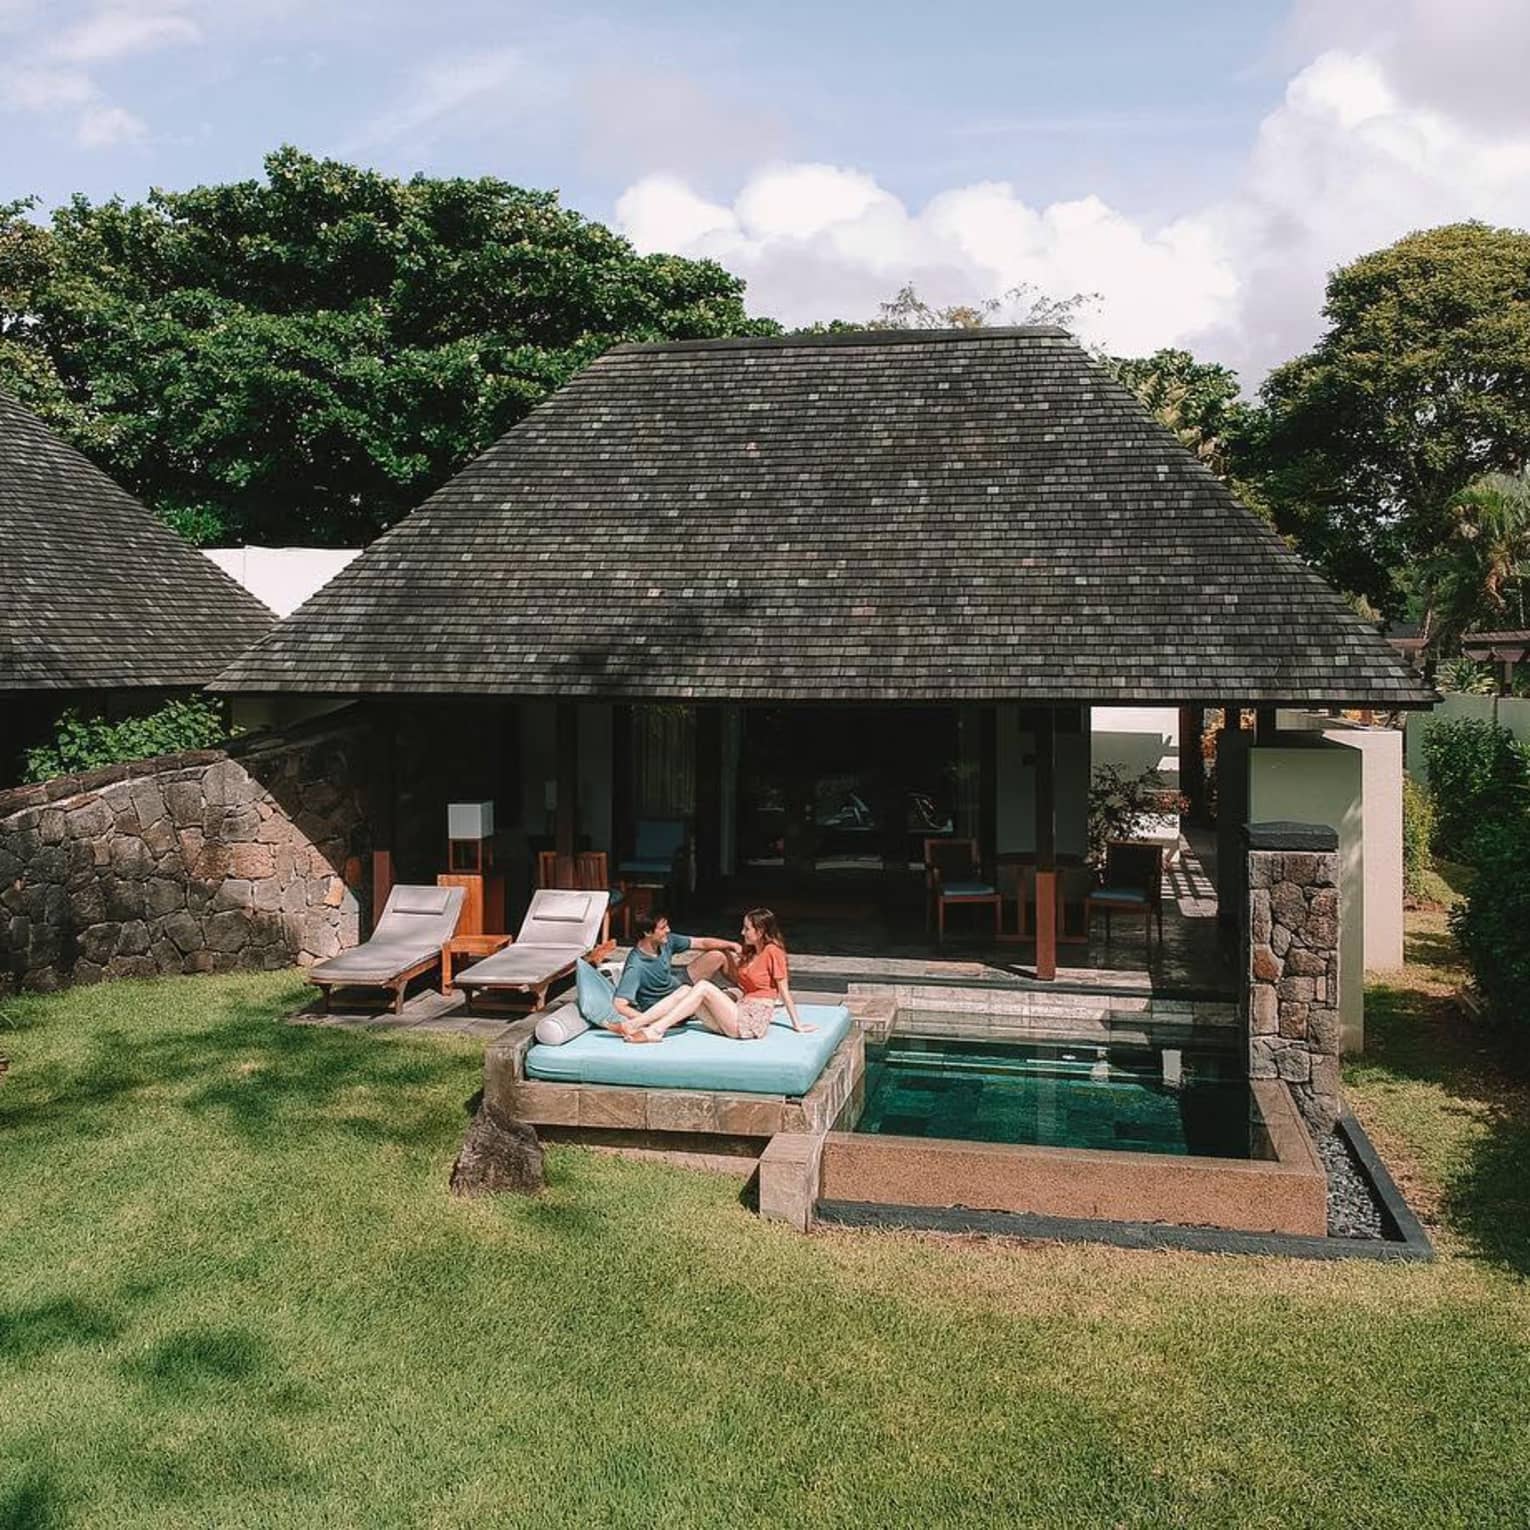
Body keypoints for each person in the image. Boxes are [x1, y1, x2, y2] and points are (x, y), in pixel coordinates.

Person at [617, 907, 816, 1044]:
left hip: (748, 1023)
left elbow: (784, 991)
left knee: (703, 986)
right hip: (735, 1017)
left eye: (747, 928)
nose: (742, 932)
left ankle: (656, 1031)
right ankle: (633, 1024)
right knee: (687, 989)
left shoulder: (774, 952)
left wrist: (796, 1024)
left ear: (761, 930)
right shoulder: (751, 952)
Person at [610, 912, 739, 1032]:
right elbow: (619, 1005)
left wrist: (733, 944)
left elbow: (702, 943)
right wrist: (646, 1019)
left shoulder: (665, 941)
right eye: (663, 928)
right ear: (648, 932)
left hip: (677, 984)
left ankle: (747, 987)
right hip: (668, 1003)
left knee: (718, 955)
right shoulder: (636, 966)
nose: (668, 930)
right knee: (729, 997)